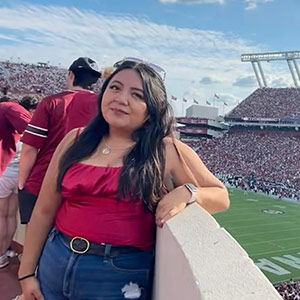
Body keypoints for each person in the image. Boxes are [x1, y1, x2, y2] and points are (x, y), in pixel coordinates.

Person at [17, 59, 229, 300]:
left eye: (137, 95)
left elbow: (221, 196)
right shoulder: (75, 140)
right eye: (115, 88)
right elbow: (44, 211)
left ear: (151, 108)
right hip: (55, 259)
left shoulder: (165, 149)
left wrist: (189, 192)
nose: (121, 98)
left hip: (119, 275)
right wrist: (26, 274)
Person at [18, 57, 102, 225]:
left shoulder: (52, 102)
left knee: (36, 238)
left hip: (43, 180)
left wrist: (22, 183)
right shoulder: (102, 106)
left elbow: (29, 148)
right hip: (83, 184)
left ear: (70, 75)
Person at [0, 96, 38, 268]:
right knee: (9, 216)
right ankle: (4, 254)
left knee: (2, 216)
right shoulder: (28, 131)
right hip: (21, 175)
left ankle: (1, 254)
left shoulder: (12, 131)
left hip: (5, 172)